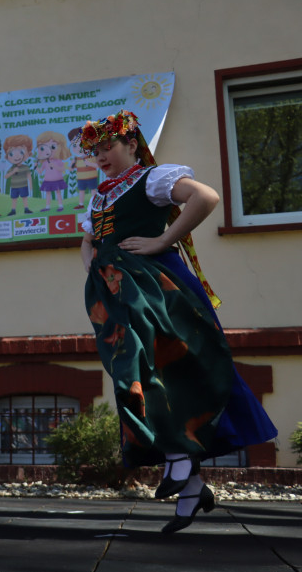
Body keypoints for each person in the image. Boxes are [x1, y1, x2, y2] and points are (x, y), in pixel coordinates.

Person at [77, 110, 277, 533]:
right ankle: (190, 483)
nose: (101, 156)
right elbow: (89, 239)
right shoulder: (100, 197)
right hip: (120, 296)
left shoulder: (152, 179)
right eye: (94, 151)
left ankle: (181, 463)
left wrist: (163, 240)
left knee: (175, 370)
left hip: (162, 290)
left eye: (107, 147)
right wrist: (96, 268)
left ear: (132, 145)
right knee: (139, 377)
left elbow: (206, 196)